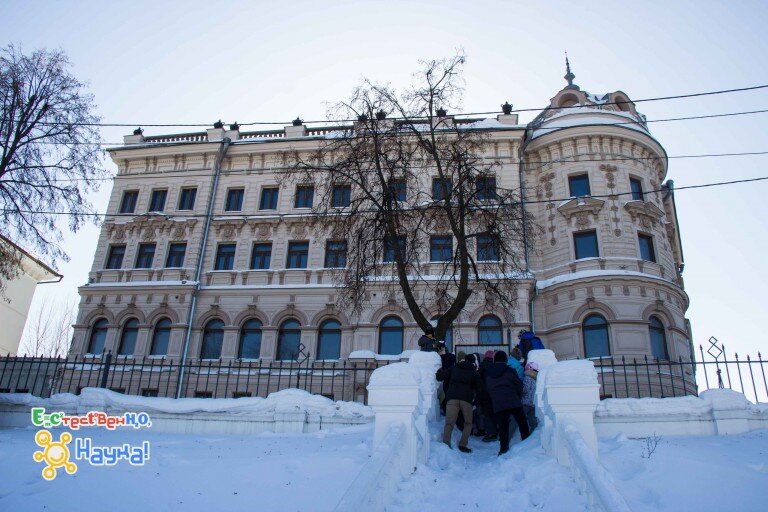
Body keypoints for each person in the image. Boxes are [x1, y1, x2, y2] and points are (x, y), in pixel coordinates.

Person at [484, 351, 530, 456]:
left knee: (503, 427)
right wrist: (517, 396)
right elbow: (518, 385)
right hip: (513, 400)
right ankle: (527, 444)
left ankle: (503, 449)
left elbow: (488, 388)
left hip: (498, 403)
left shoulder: (489, 373)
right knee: (522, 422)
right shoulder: (510, 370)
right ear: (505, 359)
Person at [436, 354, 481, 453]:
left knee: (449, 423)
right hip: (466, 400)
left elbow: (440, 377)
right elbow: (480, 388)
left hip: (452, 399)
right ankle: (462, 444)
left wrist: (438, 371)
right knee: (468, 423)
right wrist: (475, 400)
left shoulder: (454, 368)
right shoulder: (474, 372)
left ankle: (446, 443)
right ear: (473, 362)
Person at [478, 350, 498, 442]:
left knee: (487, 414)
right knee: (494, 413)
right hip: (494, 393)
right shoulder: (495, 366)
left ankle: (490, 433)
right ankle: (495, 431)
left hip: (484, 393)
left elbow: (478, 379)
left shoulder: (482, 365)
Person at [522, 361, 539, 432]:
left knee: (521, 419)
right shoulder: (537, 378)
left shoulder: (528, 377)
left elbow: (525, 389)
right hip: (533, 403)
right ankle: (532, 436)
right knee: (533, 422)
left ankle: (525, 437)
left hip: (526, 402)